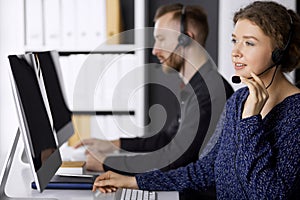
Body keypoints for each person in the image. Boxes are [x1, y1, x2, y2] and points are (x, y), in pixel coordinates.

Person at [92, 1, 300, 199]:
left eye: (249, 43)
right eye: (234, 41)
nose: (236, 52)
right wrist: (134, 181)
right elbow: (205, 170)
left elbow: (270, 194)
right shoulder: (239, 101)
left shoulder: (295, 114)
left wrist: (250, 123)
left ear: (278, 52)